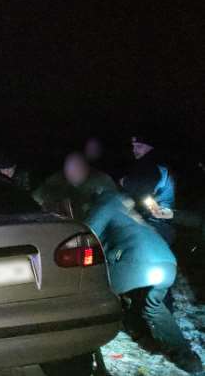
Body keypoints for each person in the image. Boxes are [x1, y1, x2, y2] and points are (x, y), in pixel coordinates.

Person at [84, 191, 203, 374]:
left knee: (96, 296)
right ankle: (187, 358)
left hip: (137, 262)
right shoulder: (129, 212)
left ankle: (88, 355)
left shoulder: (105, 203)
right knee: (153, 307)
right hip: (167, 263)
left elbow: (88, 233)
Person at [120, 135, 176, 244]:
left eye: (139, 146)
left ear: (151, 147)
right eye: (133, 146)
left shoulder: (155, 166)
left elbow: (142, 188)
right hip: (150, 220)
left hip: (159, 224)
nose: (134, 150)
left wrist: (125, 182)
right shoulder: (144, 164)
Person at [33, 152, 117, 219]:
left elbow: (116, 204)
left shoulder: (102, 181)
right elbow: (37, 197)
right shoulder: (56, 181)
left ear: (85, 168)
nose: (74, 173)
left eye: (78, 168)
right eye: (70, 170)